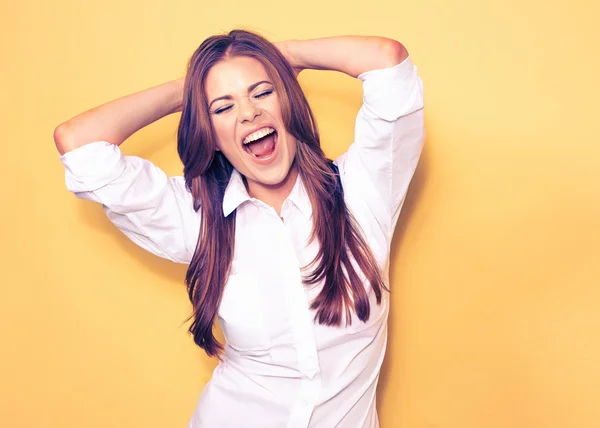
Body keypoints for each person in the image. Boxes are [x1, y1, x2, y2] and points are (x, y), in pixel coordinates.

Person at [54, 30, 424, 428]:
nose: (249, 114)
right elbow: (78, 144)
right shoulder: (198, 218)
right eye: (223, 108)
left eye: (263, 93)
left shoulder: (364, 191)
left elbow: (388, 61)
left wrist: (282, 56)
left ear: (290, 105)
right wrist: (193, 91)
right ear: (210, 136)